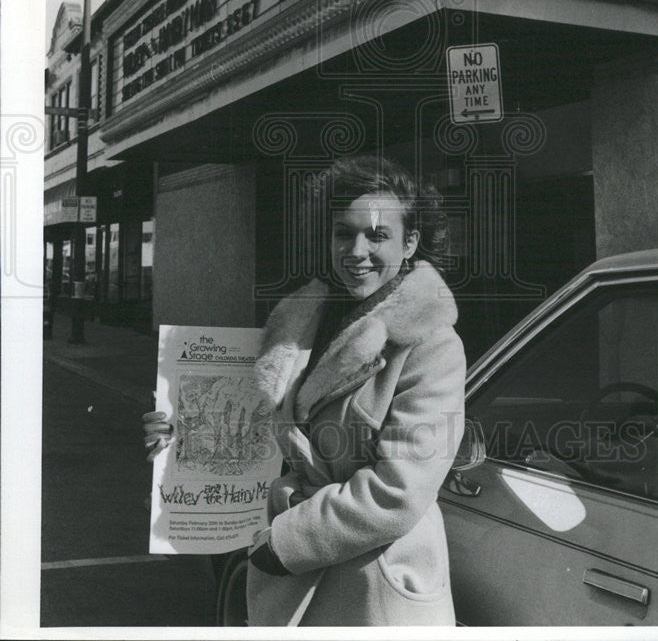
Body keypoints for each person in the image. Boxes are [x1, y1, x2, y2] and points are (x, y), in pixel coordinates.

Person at [144, 155, 466, 626]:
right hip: (288, 578)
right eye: (344, 233)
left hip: (372, 590)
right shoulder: (297, 322)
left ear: (410, 242)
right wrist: (179, 435)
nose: (357, 251)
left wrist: (285, 542)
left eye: (378, 235)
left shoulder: (431, 346)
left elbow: (398, 493)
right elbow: (254, 433)